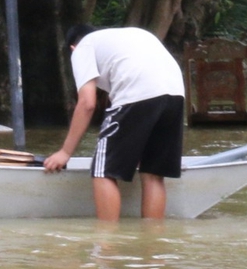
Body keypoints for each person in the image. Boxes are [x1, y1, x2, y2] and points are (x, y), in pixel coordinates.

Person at [43, 25, 187, 221]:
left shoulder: (83, 48)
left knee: (104, 171)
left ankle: (107, 244)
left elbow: (87, 103)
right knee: (153, 174)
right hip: (175, 95)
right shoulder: (123, 39)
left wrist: (65, 152)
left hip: (138, 93)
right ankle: (153, 242)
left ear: (72, 48)